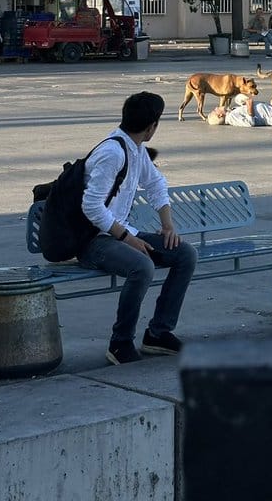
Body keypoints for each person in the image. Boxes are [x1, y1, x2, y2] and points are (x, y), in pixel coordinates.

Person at [78, 91, 197, 365]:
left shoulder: (136, 149)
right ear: (151, 126)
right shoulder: (112, 153)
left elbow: (155, 183)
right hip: (92, 239)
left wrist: (167, 225)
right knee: (142, 266)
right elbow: (92, 207)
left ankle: (158, 333)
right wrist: (128, 238)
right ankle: (120, 343)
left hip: (121, 233)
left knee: (185, 254)